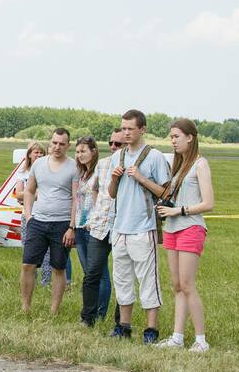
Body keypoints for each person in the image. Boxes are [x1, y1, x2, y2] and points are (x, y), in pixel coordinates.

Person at [107, 109, 170, 343]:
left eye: (130, 129)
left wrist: (142, 178)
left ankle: (151, 330)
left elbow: (166, 192)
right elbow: (111, 194)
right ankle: (124, 326)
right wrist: (114, 178)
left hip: (143, 227)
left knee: (147, 280)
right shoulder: (117, 157)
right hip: (120, 227)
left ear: (142, 129)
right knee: (122, 279)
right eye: (123, 128)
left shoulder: (153, 157)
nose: (126, 133)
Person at [155, 119, 214, 352]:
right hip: (171, 228)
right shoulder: (178, 166)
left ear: (190, 137)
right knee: (177, 285)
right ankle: (177, 337)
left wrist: (178, 210)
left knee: (188, 285)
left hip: (190, 227)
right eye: (171, 137)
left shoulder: (200, 164)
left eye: (176, 136)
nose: (173, 141)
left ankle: (201, 340)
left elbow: (208, 203)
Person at [20, 128, 76, 314]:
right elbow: (29, 191)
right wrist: (29, 216)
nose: (57, 147)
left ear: (68, 145)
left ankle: (54, 311)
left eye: (61, 144)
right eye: (54, 143)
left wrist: (71, 227)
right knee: (28, 264)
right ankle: (25, 307)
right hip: (38, 221)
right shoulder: (39, 164)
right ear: (49, 143)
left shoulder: (73, 167)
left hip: (62, 223)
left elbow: (76, 199)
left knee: (58, 267)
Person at [80, 130, 123, 326]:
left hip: (122, 227)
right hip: (100, 226)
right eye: (111, 143)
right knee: (92, 274)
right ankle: (87, 318)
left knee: (122, 277)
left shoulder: (132, 166)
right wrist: (97, 210)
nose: (113, 147)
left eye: (118, 144)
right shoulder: (103, 164)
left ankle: (120, 323)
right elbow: (94, 188)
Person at [13, 142, 58, 285]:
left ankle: (46, 282)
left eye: (41, 153)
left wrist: (29, 195)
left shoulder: (48, 171)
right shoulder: (23, 172)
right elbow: (17, 194)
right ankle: (31, 280)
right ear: (29, 155)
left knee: (47, 252)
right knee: (28, 247)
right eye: (35, 152)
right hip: (27, 214)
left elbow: (49, 194)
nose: (38, 155)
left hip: (45, 213)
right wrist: (32, 194)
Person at [70, 136, 101, 318]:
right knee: (88, 272)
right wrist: (72, 225)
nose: (80, 155)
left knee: (98, 272)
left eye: (83, 151)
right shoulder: (81, 173)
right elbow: (76, 199)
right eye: (78, 151)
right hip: (80, 226)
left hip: (93, 226)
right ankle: (91, 310)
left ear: (94, 151)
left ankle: (100, 311)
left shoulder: (99, 171)